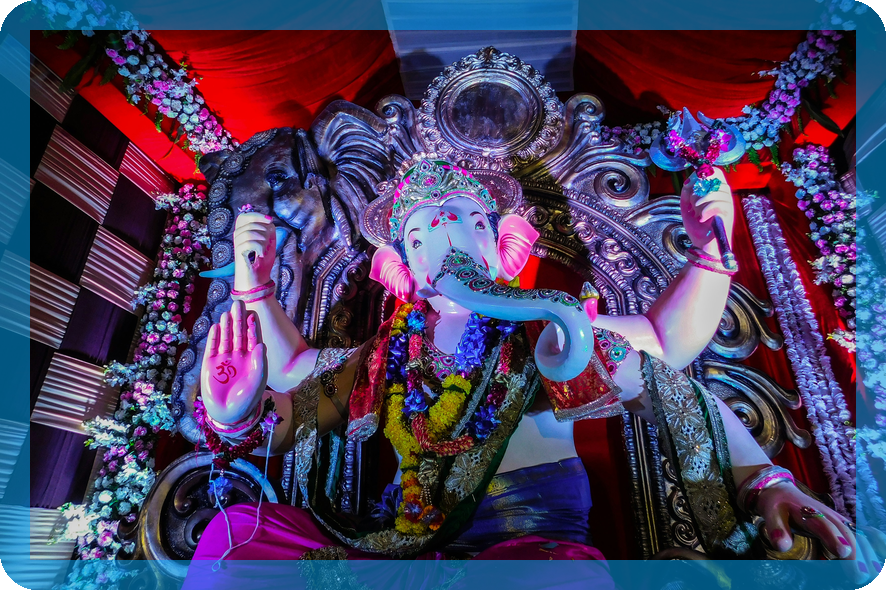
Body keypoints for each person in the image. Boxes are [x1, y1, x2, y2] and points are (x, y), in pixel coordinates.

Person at [188, 158, 879, 585]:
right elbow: (296, 381)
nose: (445, 240)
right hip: (400, 552)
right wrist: (241, 367)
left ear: (503, 246)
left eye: (465, 222)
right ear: (403, 268)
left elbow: (668, 352)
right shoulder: (387, 355)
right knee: (227, 544)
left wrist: (709, 254)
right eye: (420, 235)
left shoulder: (549, 331)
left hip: (527, 559)